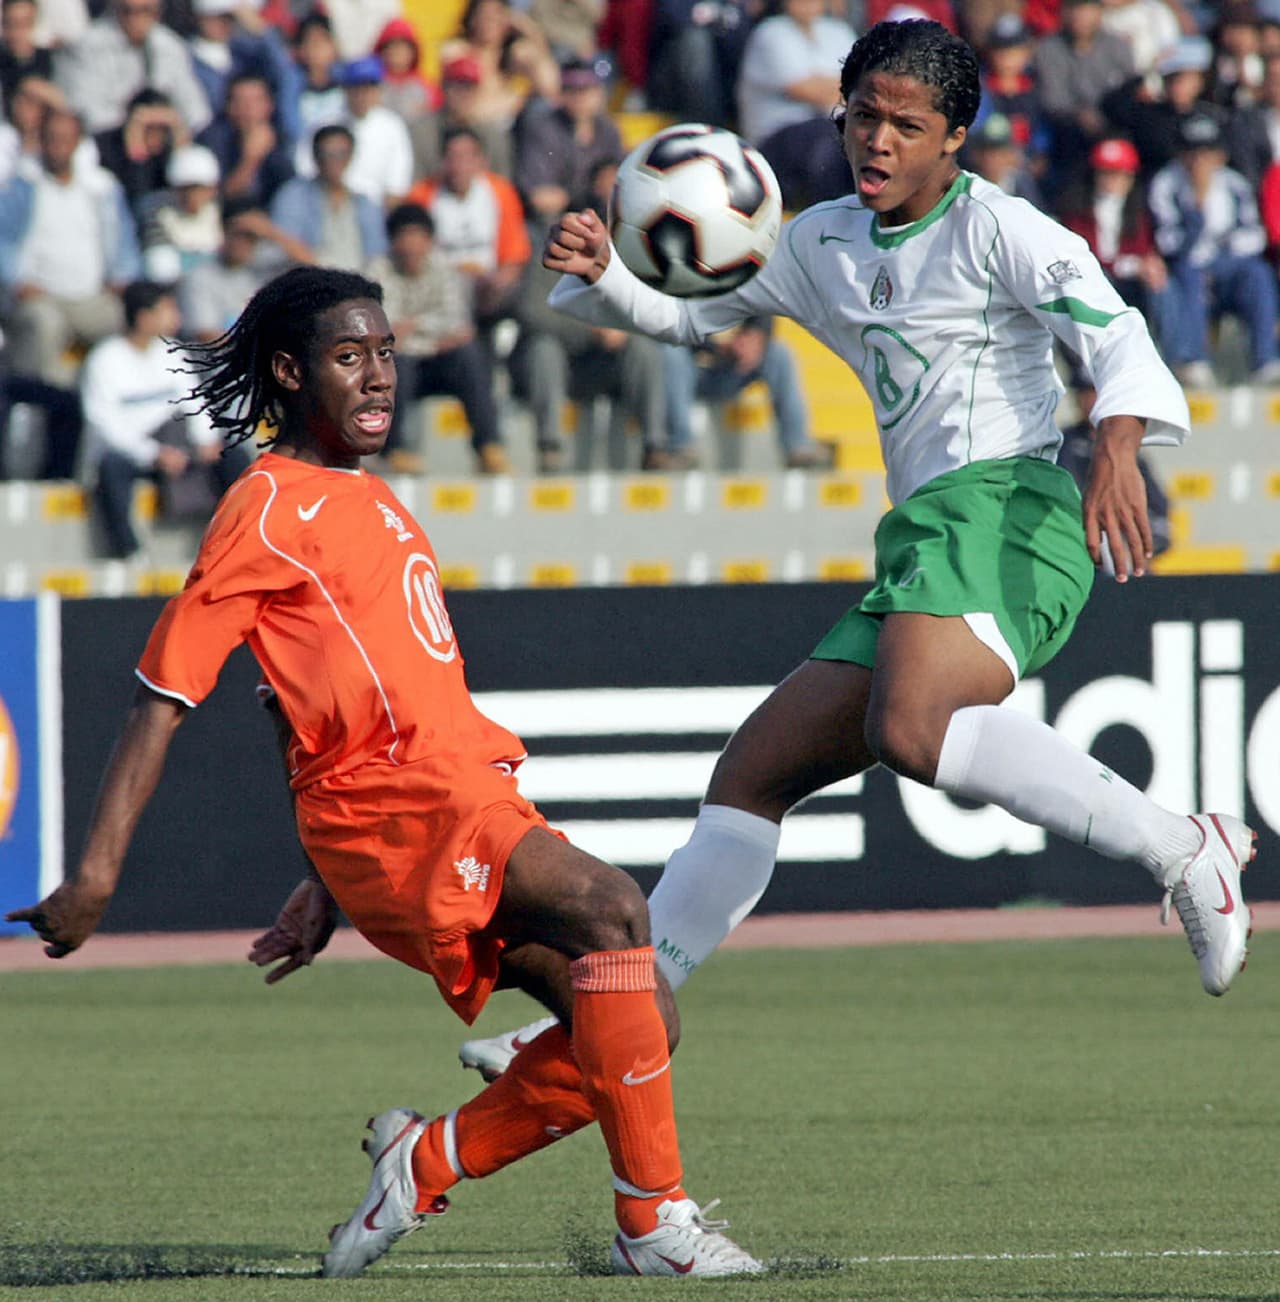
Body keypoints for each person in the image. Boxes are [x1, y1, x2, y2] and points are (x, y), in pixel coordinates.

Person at [458, 17, 1256, 1080]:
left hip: (1007, 511)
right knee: (750, 777)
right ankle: (605, 1016)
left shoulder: (1005, 232)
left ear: (955, 137)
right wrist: (608, 278)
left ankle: (1178, 847)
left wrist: (1114, 448)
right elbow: (693, 321)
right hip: (922, 539)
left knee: (914, 726)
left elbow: (1116, 339)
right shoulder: (814, 240)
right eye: (861, 117)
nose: (876, 141)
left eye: (904, 124)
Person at [4, 262, 761, 1282]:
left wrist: (320, 886)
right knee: (614, 912)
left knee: (633, 1022)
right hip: (399, 810)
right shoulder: (263, 506)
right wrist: (96, 874)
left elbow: (295, 700)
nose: (375, 378)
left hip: (449, 797)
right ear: (287, 371)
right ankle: (651, 1227)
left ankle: (427, 1158)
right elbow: (162, 693)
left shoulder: (369, 501)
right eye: (347, 357)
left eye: (385, 355)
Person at [80, 279, 249, 558]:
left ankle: (238, 539)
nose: (176, 317)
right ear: (144, 317)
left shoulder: (173, 352)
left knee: (233, 455)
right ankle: (128, 551)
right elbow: (105, 425)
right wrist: (154, 454)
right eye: (168, 310)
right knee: (111, 468)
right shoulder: (104, 360)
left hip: (179, 447)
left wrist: (205, 441)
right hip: (136, 455)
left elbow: (196, 402)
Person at [365, 203, 509, 475]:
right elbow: (384, 332)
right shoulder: (378, 270)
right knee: (395, 362)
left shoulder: (443, 267)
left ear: (429, 240)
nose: (411, 245)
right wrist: (428, 335)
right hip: (401, 365)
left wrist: (414, 326)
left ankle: (489, 447)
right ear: (393, 241)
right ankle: (394, 450)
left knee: (470, 355)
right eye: (404, 236)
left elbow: (457, 323)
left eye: (417, 236)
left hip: (435, 362)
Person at [0, 106, 140, 386]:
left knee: (117, 321)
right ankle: (39, 404)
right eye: (52, 138)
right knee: (44, 327)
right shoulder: (22, 186)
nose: (59, 147)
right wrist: (16, 282)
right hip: (42, 298)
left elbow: (123, 239)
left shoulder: (101, 188)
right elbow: (4, 240)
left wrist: (121, 278)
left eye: (66, 139)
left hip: (89, 296)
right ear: (41, 140)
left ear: (77, 142)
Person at [1148, 106, 1280, 386]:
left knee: (1258, 274)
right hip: (1187, 268)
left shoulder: (1233, 184)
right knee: (1188, 275)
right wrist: (1196, 208)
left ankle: (1265, 359)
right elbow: (1167, 240)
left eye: (1207, 152)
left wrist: (1220, 257)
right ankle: (1194, 359)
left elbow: (1253, 235)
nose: (1200, 161)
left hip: (1228, 268)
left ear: (1220, 155)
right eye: (1193, 153)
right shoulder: (1166, 184)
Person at [656, 318, 834, 470]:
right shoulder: (683, 283)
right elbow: (670, 324)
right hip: (695, 369)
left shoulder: (742, 278)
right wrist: (715, 346)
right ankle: (682, 447)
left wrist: (755, 339)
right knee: (671, 353)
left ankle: (797, 447)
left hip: (735, 367)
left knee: (779, 353)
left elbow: (764, 310)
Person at [55, 0, 211, 139]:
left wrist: (165, 120)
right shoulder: (86, 47)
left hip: (164, 143)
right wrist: (136, 122)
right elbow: (85, 112)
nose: (137, 18)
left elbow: (197, 113)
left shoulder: (170, 46)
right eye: (128, 10)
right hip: (110, 145)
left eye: (146, 10)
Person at [269, 122, 388, 269]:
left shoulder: (365, 203)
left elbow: (377, 254)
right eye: (326, 153)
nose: (333, 161)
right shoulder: (293, 196)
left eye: (341, 153)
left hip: (357, 284)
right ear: (314, 155)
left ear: (351, 156)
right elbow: (281, 249)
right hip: (309, 282)